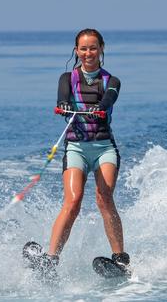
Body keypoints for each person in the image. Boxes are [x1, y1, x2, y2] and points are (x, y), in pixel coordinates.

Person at [37, 28, 129, 277]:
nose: (88, 53)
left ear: (101, 49)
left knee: (104, 198)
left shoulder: (113, 81)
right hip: (75, 147)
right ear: (76, 51)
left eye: (93, 48)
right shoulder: (66, 78)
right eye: (83, 48)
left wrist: (100, 108)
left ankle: (120, 260)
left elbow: (109, 98)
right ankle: (50, 259)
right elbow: (62, 98)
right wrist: (64, 105)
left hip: (103, 148)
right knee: (73, 202)